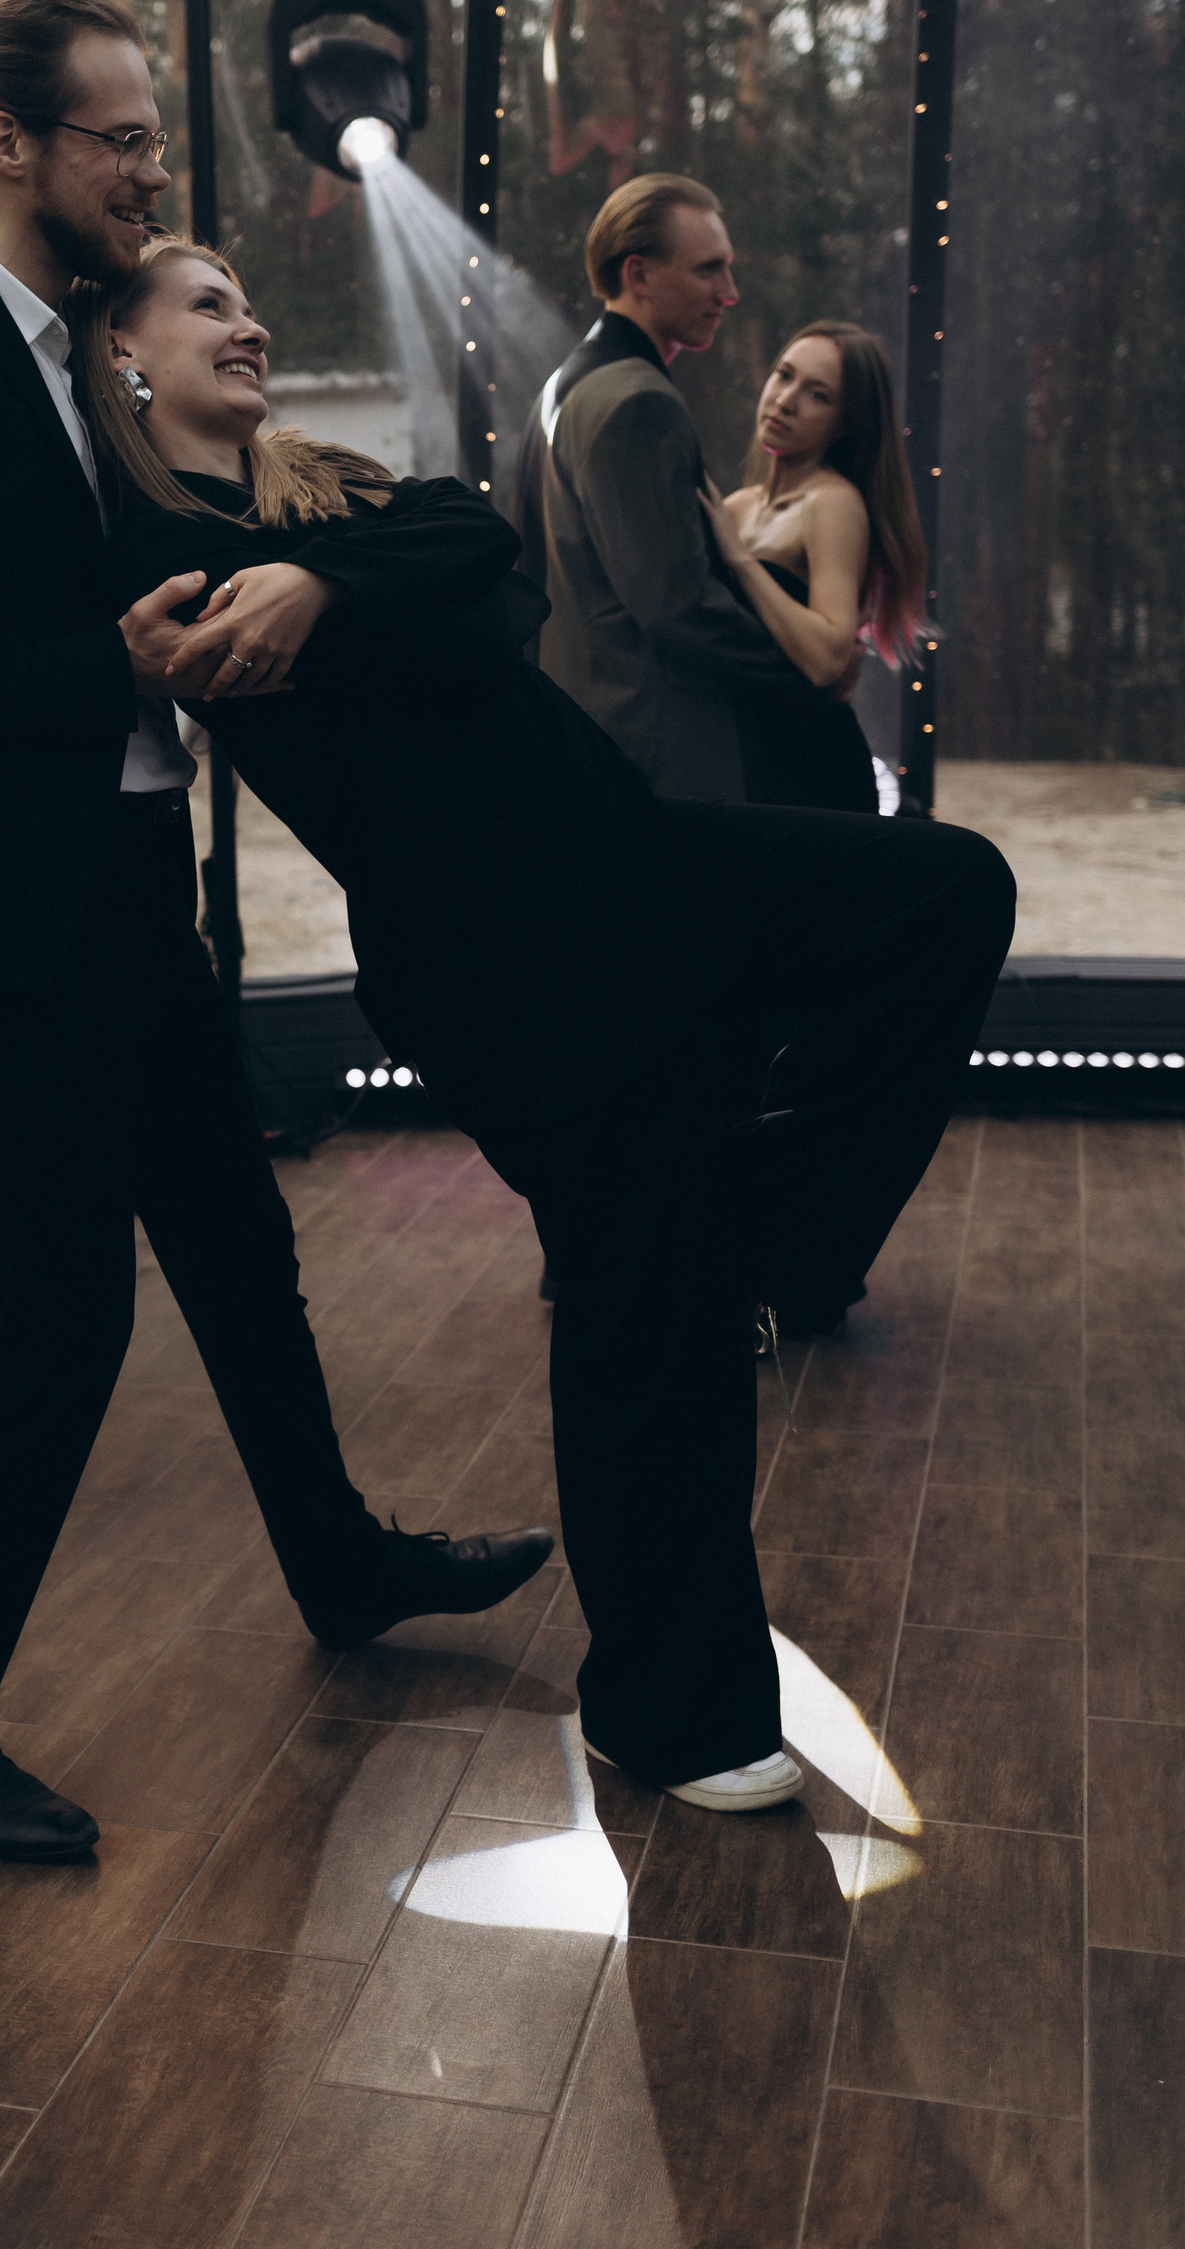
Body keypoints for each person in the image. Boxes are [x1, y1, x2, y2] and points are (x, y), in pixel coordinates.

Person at [97, 233, 1015, 1813]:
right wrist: (346, 588)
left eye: (249, 300)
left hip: (635, 861)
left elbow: (489, 557)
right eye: (207, 306)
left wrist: (323, 579)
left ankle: (776, 1228)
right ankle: (669, 1708)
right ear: (124, 356)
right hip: (499, 954)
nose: (249, 325)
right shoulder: (157, 550)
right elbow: (454, 611)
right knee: (639, 1297)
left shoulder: (320, 501)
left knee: (946, 892)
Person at [0, 0, 554, 1867]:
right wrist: (100, 667)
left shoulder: (78, 362)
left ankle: (339, 1565)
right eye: (121, 138)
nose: (149, 169)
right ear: (8, 145)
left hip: (123, 896)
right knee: (63, 1321)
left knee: (236, 1249)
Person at [519, 174, 843, 803]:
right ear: (638, 275)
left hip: (582, 739)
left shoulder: (558, 389)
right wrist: (804, 679)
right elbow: (679, 607)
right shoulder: (638, 402)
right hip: (655, 755)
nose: (730, 293)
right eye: (708, 270)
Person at [697, 322, 924, 814]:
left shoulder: (831, 503)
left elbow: (826, 658)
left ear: (845, 423)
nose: (785, 401)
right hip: (748, 760)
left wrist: (740, 561)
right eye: (784, 375)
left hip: (811, 767)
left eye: (817, 395)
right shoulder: (736, 507)